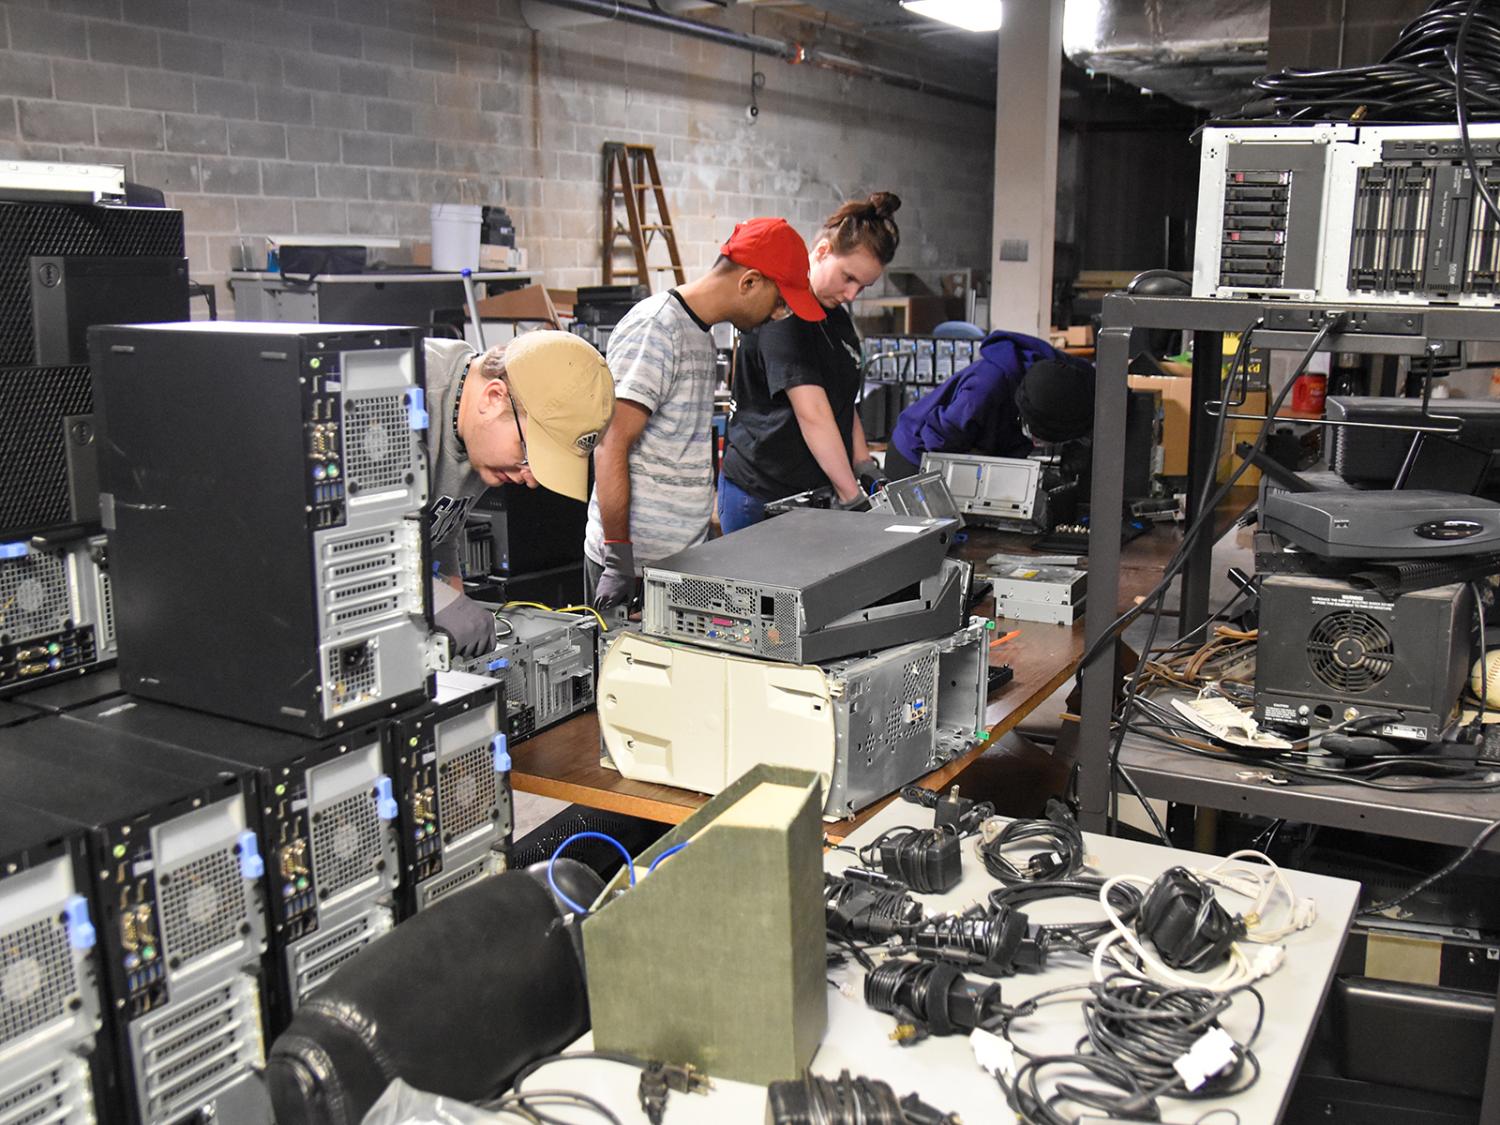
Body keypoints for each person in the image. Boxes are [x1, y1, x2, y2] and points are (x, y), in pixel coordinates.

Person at [586, 217, 826, 609]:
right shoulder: (656, 327)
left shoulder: (700, 332)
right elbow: (610, 442)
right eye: (780, 301)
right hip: (634, 568)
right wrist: (618, 557)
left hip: (678, 562)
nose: (779, 315)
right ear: (749, 282)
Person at [715, 193, 902, 534]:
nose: (851, 295)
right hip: (762, 495)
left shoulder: (837, 316)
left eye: (863, 286)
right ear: (821, 253)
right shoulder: (782, 314)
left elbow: (842, 400)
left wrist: (862, 463)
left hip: (810, 491)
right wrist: (851, 496)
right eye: (848, 278)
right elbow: (813, 413)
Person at [424, 330, 615, 656]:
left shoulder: (475, 431)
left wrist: (454, 596)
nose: (529, 479)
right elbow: (344, 551)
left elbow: (439, 531)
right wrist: (438, 600)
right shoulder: (403, 401)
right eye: (529, 456)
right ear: (493, 397)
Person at [885, 332, 1095, 478]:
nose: (1038, 444)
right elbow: (938, 442)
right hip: (917, 454)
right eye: (1038, 438)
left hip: (981, 446)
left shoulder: (1072, 377)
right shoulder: (983, 390)